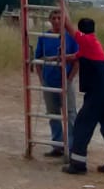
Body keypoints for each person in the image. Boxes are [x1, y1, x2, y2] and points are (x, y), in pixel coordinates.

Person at [62, 17, 104, 175]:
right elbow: (76, 56)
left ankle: (77, 165)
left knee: (82, 126)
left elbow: (68, 26)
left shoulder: (86, 40)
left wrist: (62, 8)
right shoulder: (92, 43)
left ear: (81, 30)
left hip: (97, 95)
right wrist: (58, 58)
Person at [32, 12, 78, 157]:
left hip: (65, 80)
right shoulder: (44, 37)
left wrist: (70, 78)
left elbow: (77, 59)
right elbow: (38, 59)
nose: (57, 21)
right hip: (49, 80)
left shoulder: (70, 36)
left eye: (59, 18)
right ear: (50, 20)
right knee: (53, 114)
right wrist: (41, 79)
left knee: (70, 113)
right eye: (54, 18)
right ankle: (57, 145)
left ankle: (72, 146)